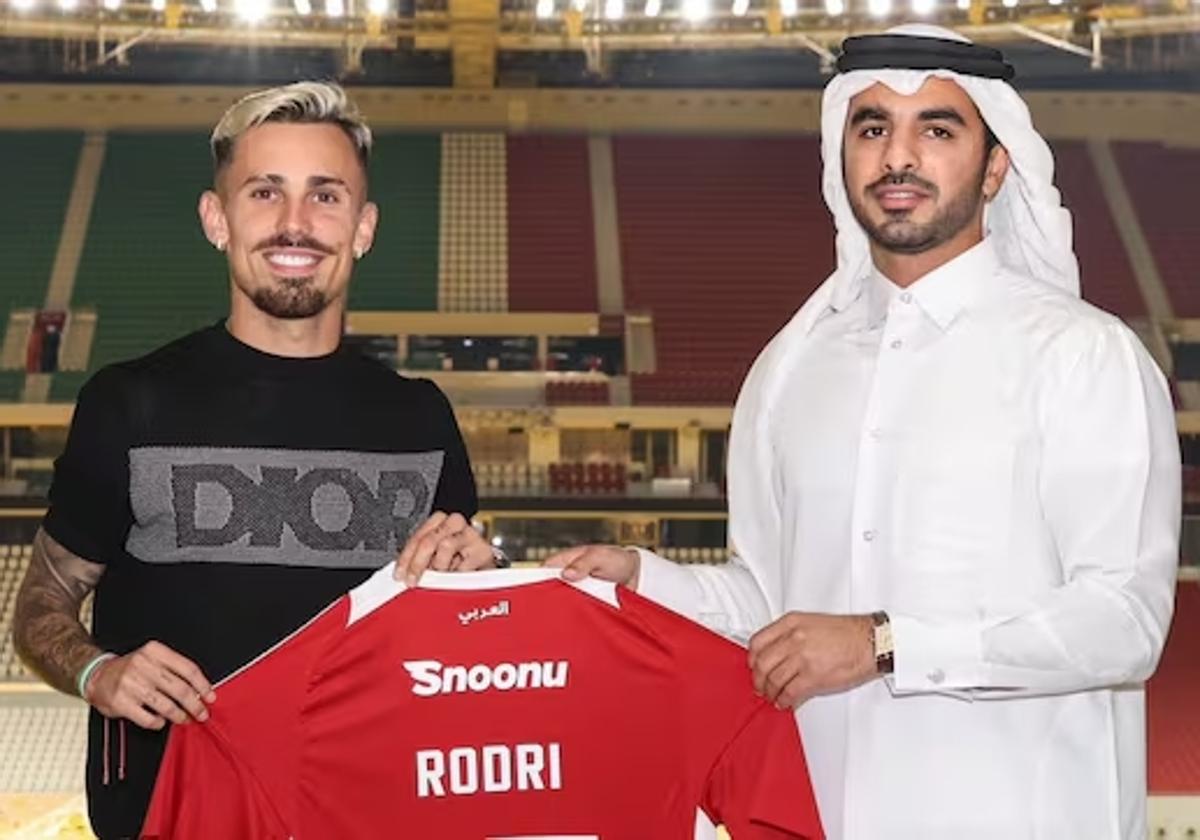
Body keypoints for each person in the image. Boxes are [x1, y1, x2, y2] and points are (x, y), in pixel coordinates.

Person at [547, 24, 1181, 839]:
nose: (898, 157)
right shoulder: (790, 369)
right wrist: (642, 578)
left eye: (937, 130)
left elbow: (1123, 621)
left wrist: (889, 645)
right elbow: (773, 599)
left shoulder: (1082, 356)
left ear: (996, 167)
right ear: (840, 153)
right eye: (873, 128)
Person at [11, 81, 496, 840]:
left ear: (363, 228)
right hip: (171, 819)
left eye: (325, 196)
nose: (294, 223)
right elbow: (40, 605)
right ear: (218, 219)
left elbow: (457, 639)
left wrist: (485, 585)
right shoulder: (130, 402)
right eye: (265, 192)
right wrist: (98, 671)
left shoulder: (420, 418)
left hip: (371, 818)